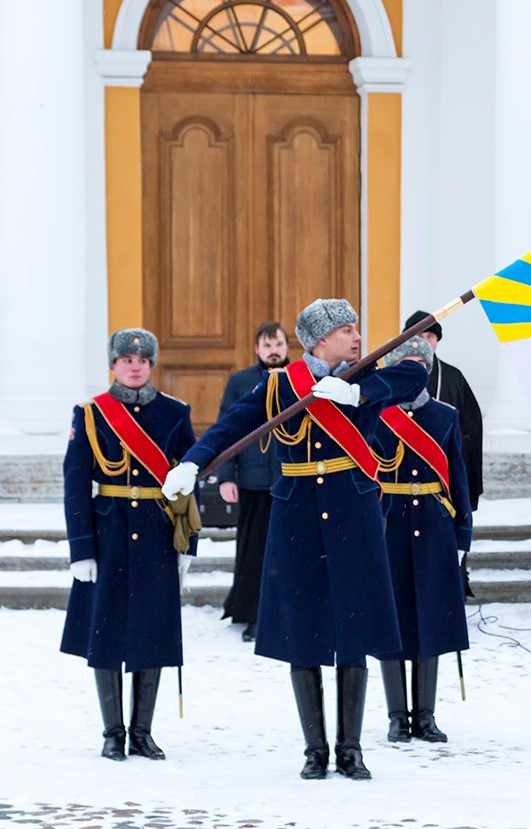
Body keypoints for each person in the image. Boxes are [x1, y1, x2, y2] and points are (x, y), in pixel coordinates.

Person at [165, 299, 428, 780]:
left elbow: (414, 375)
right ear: (320, 339)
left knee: (352, 630)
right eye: (347, 330)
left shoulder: (366, 375)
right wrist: (192, 462)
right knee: (303, 632)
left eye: (356, 328)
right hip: (297, 514)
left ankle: (350, 749)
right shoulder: (280, 385)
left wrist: (357, 395)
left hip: (352, 508)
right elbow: (230, 426)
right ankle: (315, 750)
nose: (356, 336)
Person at [62, 329, 197, 762]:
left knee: (151, 631)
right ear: (113, 365)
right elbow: (76, 483)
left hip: (157, 535)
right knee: (106, 633)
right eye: (125, 359)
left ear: (152, 364)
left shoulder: (175, 413)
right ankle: (111, 731)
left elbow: (188, 485)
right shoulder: (89, 414)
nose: (134, 365)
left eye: (142, 359)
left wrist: (186, 547)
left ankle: (142, 732)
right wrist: (81, 548)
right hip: (108, 535)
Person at [370, 338, 473, 743]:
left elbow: (459, 478)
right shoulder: (378, 416)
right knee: (392, 621)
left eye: (420, 364)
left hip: (433, 524)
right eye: (405, 364)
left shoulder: (445, 415)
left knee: (430, 618)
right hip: (389, 523)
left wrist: (463, 532)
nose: (414, 372)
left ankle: (425, 715)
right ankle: (397, 715)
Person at [217, 321, 289, 642]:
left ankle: (287, 611)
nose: (273, 351)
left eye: (279, 345)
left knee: (290, 550)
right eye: (267, 345)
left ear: (287, 348)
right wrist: (225, 476)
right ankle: (253, 614)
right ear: (257, 350)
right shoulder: (240, 382)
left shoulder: (299, 379)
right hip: (252, 481)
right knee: (254, 551)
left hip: (291, 480)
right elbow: (227, 429)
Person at [402, 311, 483, 508]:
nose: (424, 341)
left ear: (437, 340)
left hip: (443, 470)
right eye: (419, 336)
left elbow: (471, 429)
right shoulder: (394, 374)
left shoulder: (453, 377)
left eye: (430, 336)